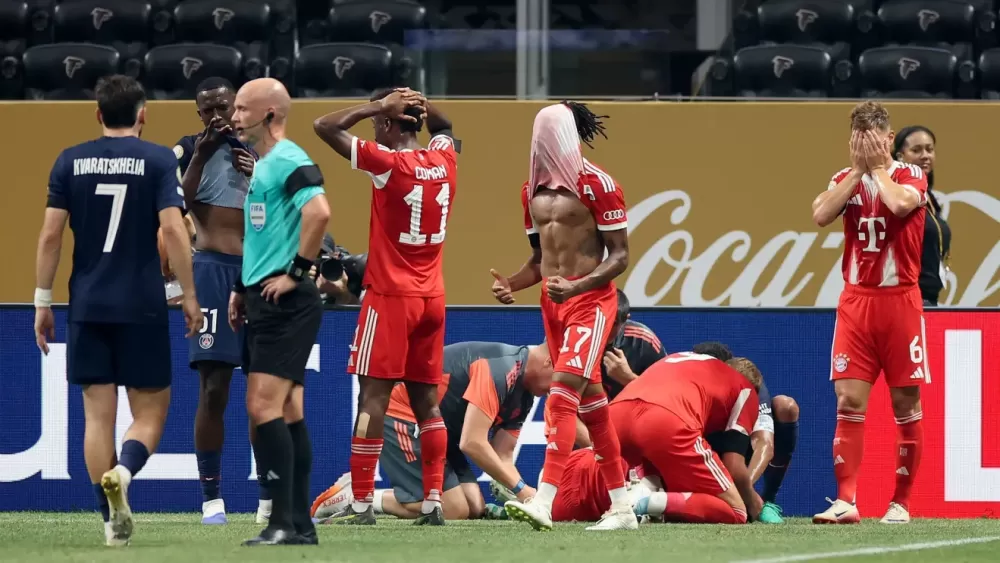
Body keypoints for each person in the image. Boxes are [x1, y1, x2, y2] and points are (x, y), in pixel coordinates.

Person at [33, 75, 203, 546]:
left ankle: (111, 525)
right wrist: (190, 294)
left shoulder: (69, 160)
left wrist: (42, 301)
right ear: (143, 115)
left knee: (96, 418)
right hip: (141, 304)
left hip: (87, 305)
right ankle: (124, 472)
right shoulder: (158, 160)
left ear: (98, 114)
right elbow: (174, 231)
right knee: (151, 413)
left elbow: (50, 236)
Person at [312, 88, 459, 526]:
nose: (375, 127)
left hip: (391, 298)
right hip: (433, 297)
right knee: (426, 403)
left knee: (372, 398)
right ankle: (433, 502)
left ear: (390, 123)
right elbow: (446, 126)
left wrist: (378, 106)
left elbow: (324, 126)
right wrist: (419, 103)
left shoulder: (387, 164)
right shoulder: (445, 160)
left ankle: (361, 503)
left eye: (379, 122)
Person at [491, 101, 634, 532]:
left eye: (548, 132)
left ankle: (544, 501)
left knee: (562, 393)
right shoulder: (530, 192)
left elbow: (620, 256)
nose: (541, 140)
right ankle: (623, 508)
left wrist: (577, 286)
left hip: (591, 302)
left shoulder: (599, 185)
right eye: (538, 132)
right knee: (594, 408)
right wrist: (511, 284)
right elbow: (539, 261)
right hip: (552, 306)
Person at [810, 100, 929, 525]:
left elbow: (899, 206)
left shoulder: (910, 175)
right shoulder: (844, 179)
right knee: (848, 399)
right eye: (856, 140)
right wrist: (859, 171)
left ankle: (901, 503)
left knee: (905, 403)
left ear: (888, 139)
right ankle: (846, 501)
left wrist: (877, 169)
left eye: (871, 140)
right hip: (856, 303)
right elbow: (820, 214)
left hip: (900, 302)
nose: (862, 147)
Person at [228, 78, 330, 546]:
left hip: (286, 302)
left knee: (261, 407)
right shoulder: (265, 164)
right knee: (287, 410)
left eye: (242, 109)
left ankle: (282, 522)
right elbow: (261, 236)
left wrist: (296, 272)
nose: (234, 117)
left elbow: (319, 213)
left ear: (270, 113)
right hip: (262, 296)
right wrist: (240, 288)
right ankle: (300, 525)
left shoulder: (288, 158)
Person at [310, 341, 553, 521]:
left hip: (440, 433)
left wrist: (523, 498)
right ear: (549, 362)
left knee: (474, 507)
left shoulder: (525, 396)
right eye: (560, 381)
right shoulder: (500, 369)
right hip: (402, 414)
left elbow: (503, 456)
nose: (557, 391)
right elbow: (472, 442)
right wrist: (524, 492)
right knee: (453, 509)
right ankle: (356, 497)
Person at [170, 76, 265, 525]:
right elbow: (176, 207)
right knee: (213, 389)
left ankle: (268, 498)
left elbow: (286, 211)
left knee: (264, 392)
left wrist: (258, 175)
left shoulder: (262, 150)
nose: (216, 116)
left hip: (258, 273)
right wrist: (202, 155)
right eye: (207, 110)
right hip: (211, 271)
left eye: (223, 107)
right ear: (198, 114)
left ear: (237, 106)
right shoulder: (189, 149)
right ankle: (211, 499)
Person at [614, 353, 763, 524]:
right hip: (666, 422)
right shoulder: (746, 389)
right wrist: (753, 501)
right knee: (737, 512)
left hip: (617, 414)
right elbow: (734, 465)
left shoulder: (689, 361)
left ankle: (643, 491)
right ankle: (647, 502)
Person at [694, 343, 799, 525]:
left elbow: (764, 444)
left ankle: (767, 500)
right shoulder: (689, 386)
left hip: (736, 449)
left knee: (785, 406)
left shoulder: (746, 382)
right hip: (700, 449)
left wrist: (745, 492)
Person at [892, 126, 952, 307]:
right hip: (904, 300)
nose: (925, 155)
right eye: (916, 150)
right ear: (900, 156)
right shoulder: (897, 196)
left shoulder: (929, 198)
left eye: (929, 149)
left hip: (927, 299)